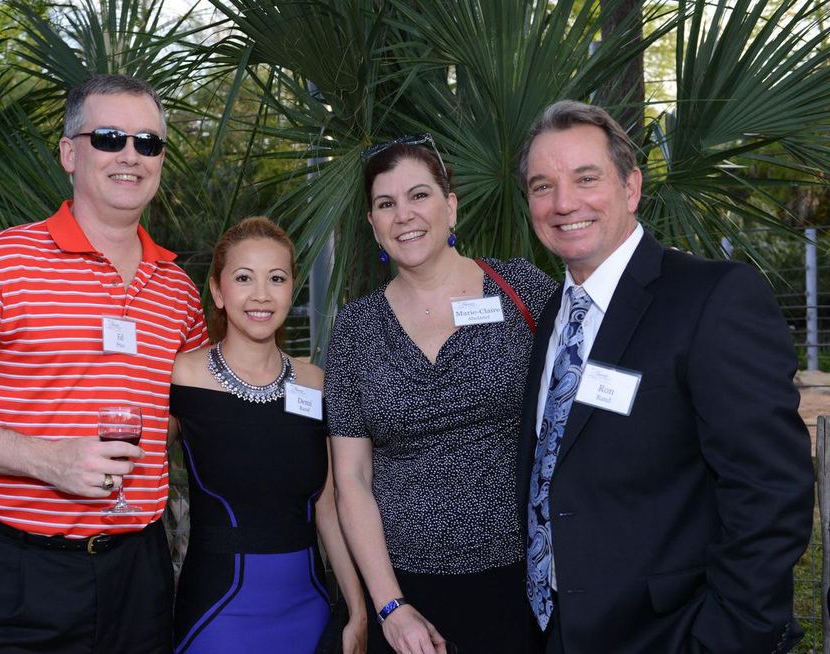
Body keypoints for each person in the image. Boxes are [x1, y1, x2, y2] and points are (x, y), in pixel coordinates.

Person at [0, 74, 208, 653]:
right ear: (69, 152)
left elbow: (186, 411)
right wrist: (49, 459)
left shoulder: (178, 291)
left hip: (140, 573)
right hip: (17, 575)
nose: (131, 156)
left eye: (149, 142)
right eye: (109, 138)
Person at [518, 100, 814, 654]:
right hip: (560, 629)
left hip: (673, 634)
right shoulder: (554, 316)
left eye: (587, 178)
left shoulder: (712, 298)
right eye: (541, 186)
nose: (563, 203)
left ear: (631, 188)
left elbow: (772, 492)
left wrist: (725, 640)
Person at [326, 133, 557, 654]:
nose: (403, 214)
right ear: (372, 224)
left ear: (451, 206)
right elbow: (351, 478)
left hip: (521, 582)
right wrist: (390, 607)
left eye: (419, 195)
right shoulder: (355, 329)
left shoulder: (524, 291)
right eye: (386, 204)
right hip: (403, 590)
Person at [169, 216, 367, 653]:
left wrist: (356, 610)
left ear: (291, 289)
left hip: (310, 610)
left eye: (276, 278)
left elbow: (329, 505)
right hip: (217, 615)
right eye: (244, 278)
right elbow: (138, 470)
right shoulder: (183, 376)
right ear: (218, 292)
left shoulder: (316, 383)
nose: (261, 294)